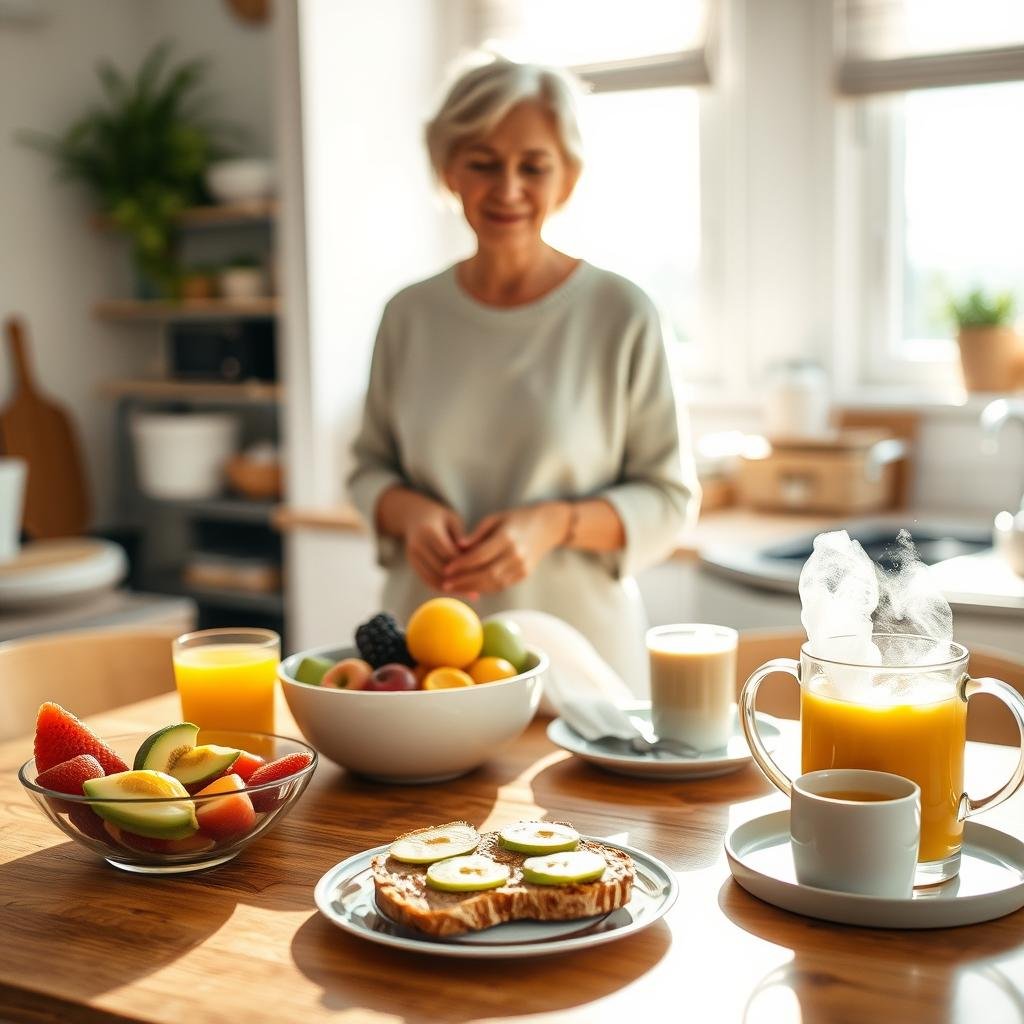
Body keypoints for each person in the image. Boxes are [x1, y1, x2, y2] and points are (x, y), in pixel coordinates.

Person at [347, 55, 699, 686]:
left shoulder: (622, 313)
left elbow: (669, 499)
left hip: (580, 671)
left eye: (532, 166)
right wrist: (409, 514)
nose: (507, 188)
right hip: (422, 667)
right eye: (483, 162)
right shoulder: (409, 315)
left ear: (566, 178)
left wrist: (553, 524)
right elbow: (368, 468)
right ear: (449, 169)